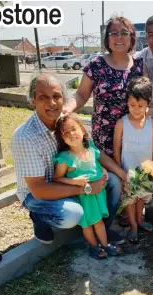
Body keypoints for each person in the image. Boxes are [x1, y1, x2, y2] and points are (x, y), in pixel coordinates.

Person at [11, 73, 126, 244]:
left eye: (56, 96)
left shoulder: (66, 123)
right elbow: (39, 189)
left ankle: (102, 228)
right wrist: (87, 189)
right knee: (72, 214)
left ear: (63, 98)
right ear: (32, 100)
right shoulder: (25, 136)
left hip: (72, 181)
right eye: (43, 97)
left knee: (114, 182)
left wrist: (123, 174)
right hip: (39, 194)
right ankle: (39, 218)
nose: (51, 103)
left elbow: (94, 151)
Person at [62, 16, 144, 234]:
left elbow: (146, 97)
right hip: (103, 139)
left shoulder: (139, 66)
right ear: (107, 38)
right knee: (115, 181)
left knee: (132, 181)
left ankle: (126, 216)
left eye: (124, 33)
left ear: (132, 38)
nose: (119, 37)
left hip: (131, 138)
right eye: (114, 33)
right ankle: (103, 225)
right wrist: (68, 109)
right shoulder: (96, 65)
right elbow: (80, 95)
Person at [54, 114, 121, 259]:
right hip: (84, 197)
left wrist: (102, 170)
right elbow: (57, 178)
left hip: (98, 195)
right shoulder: (65, 158)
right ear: (63, 139)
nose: (71, 134)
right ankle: (94, 246)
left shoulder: (90, 149)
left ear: (83, 130)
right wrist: (74, 181)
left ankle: (104, 244)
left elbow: (97, 162)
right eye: (66, 133)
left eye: (74, 129)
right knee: (89, 225)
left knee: (99, 222)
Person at [113, 77, 153, 243]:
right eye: (132, 105)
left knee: (141, 197)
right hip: (128, 172)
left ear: (148, 103)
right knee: (130, 199)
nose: (136, 109)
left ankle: (139, 220)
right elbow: (116, 149)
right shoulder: (121, 123)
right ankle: (133, 225)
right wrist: (120, 172)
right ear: (127, 102)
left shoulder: (152, 124)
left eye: (140, 106)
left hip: (145, 172)